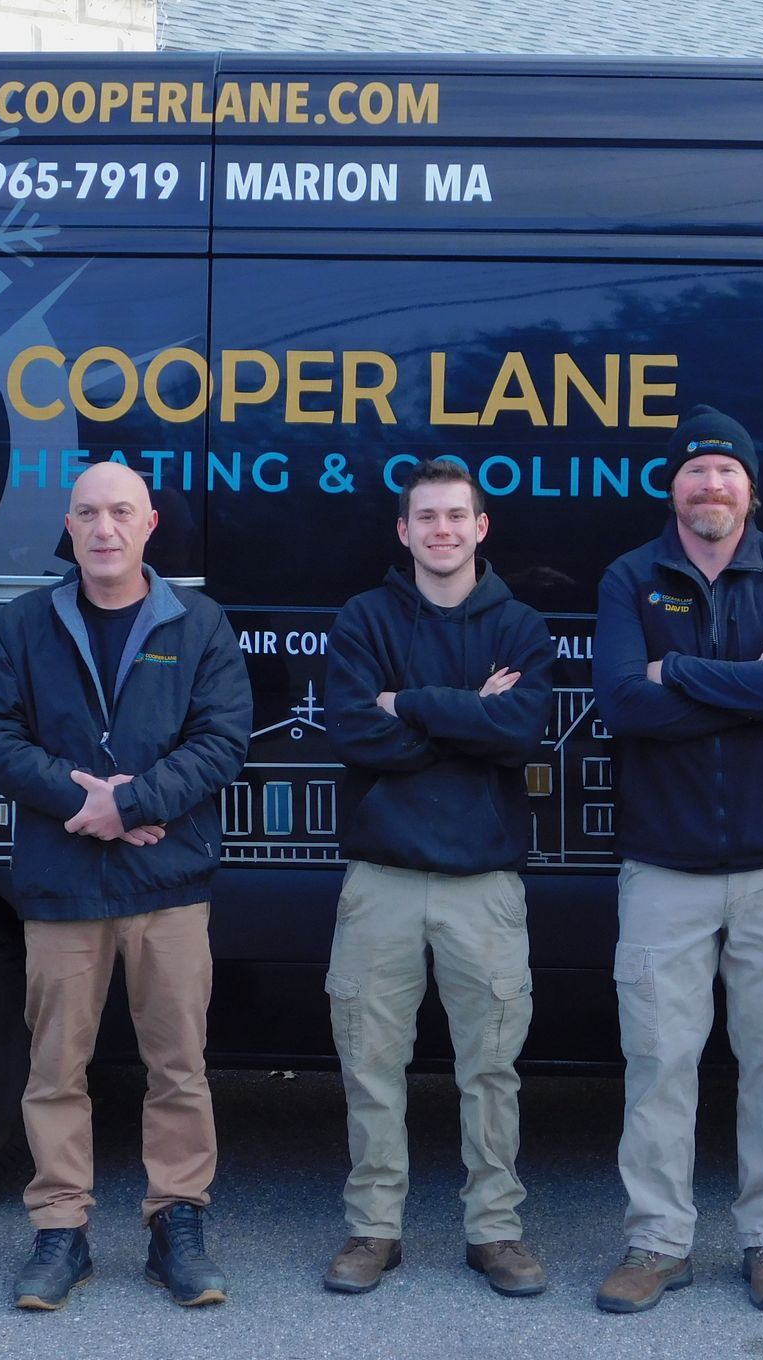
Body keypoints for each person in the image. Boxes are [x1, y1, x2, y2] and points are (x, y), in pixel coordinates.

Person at [0, 461, 251, 1313]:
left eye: (121, 512)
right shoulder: (26, 623)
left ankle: (177, 1225)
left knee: (180, 1067)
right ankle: (61, 1229)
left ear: (149, 524)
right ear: (69, 523)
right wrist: (82, 805)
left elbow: (222, 741)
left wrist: (127, 803)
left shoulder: (197, 622)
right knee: (56, 1069)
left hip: (170, 884)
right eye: (88, 513)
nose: (104, 529)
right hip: (64, 884)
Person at [590, 406, 763, 1316]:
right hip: (665, 863)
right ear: (673, 488)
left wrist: (679, 671)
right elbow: (621, 703)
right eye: (694, 473)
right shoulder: (630, 577)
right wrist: (750, 676)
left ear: (751, 490)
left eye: (726, 473)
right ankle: (657, 1243)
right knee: (658, 1058)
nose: (710, 486)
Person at [320, 458, 556, 1299]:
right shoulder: (363, 619)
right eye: (427, 517)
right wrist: (467, 708)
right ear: (404, 530)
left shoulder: (521, 626)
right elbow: (354, 732)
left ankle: (495, 1230)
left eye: (458, 515)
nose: (443, 530)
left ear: (481, 526)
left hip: (482, 883)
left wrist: (410, 702)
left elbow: (519, 731)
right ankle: (373, 1229)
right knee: (370, 1063)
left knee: (489, 1069)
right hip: (381, 876)